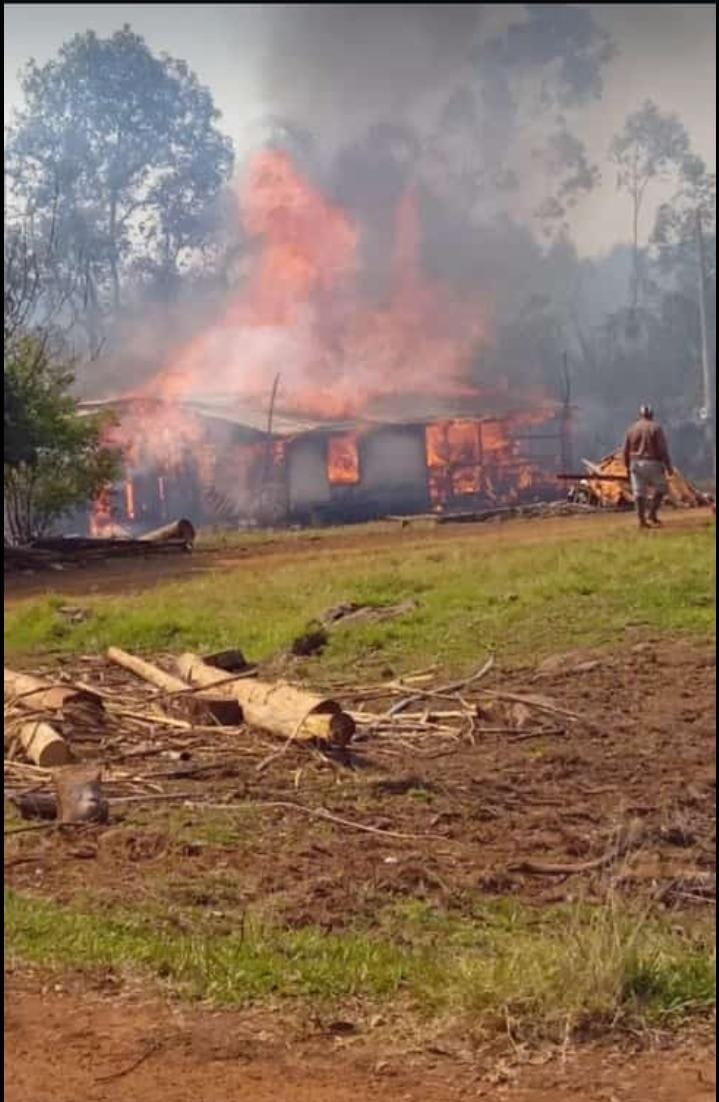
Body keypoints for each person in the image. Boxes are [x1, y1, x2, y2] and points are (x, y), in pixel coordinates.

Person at [622, 405, 673, 528]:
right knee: (661, 488)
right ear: (651, 414)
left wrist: (627, 466)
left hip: (635, 463)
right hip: (652, 462)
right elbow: (662, 449)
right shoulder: (656, 427)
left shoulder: (632, 429)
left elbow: (625, 450)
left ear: (640, 415)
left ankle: (641, 521)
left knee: (638, 493)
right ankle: (652, 513)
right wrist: (668, 466)